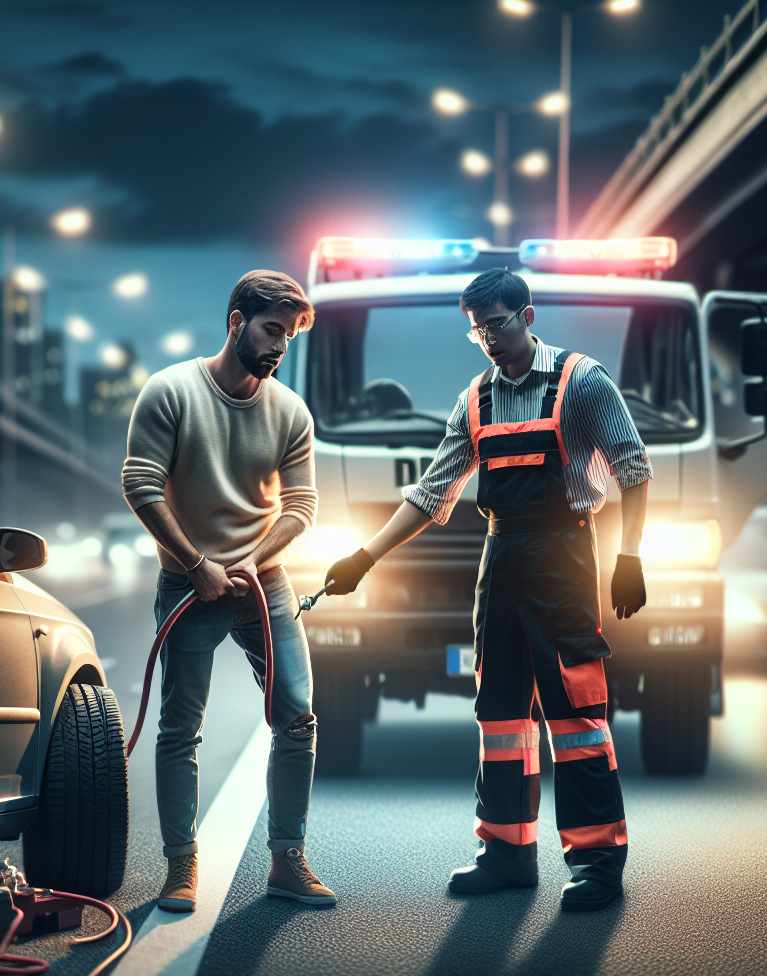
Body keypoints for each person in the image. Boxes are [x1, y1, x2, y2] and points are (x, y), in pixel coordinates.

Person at [323, 268, 651, 911]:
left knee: (576, 714)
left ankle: (597, 863)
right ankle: (505, 855)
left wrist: (629, 557)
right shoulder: (476, 399)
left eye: (496, 325)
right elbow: (431, 494)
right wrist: (364, 557)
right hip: (499, 560)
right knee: (499, 714)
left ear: (527, 318)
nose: (487, 340)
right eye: (475, 330)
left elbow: (633, 470)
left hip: (565, 556)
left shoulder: (581, 381)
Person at [123, 269, 335, 913]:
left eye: (290, 336)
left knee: (297, 716)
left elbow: (301, 506)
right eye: (273, 330)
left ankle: (287, 860)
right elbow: (141, 485)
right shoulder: (171, 392)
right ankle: (180, 868)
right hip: (189, 585)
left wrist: (251, 560)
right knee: (180, 728)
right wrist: (196, 564)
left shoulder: (289, 411)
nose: (280, 346)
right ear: (236, 322)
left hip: (263, 584)